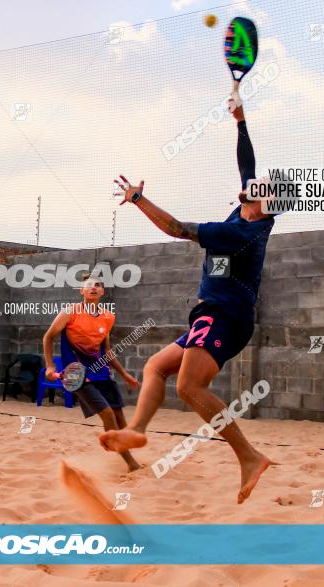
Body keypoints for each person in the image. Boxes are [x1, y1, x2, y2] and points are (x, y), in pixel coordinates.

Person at [100, 94, 275, 503]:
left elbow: (177, 228)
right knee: (157, 367)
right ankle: (137, 431)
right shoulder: (245, 212)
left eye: (261, 188)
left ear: (265, 205)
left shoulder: (241, 233)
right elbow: (246, 163)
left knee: (190, 387)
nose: (254, 183)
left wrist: (139, 200)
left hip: (225, 315)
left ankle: (249, 457)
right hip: (214, 314)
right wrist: (240, 120)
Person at [42, 274, 142, 472]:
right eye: (89, 285)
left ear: (102, 292)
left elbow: (106, 350)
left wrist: (124, 374)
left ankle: (117, 452)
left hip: (101, 372)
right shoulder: (70, 313)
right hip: (76, 374)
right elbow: (48, 337)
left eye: (98, 285)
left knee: (120, 418)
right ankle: (131, 463)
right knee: (107, 414)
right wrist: (50, 366)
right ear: (82, 291)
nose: (93, 288)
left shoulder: (108, 317)